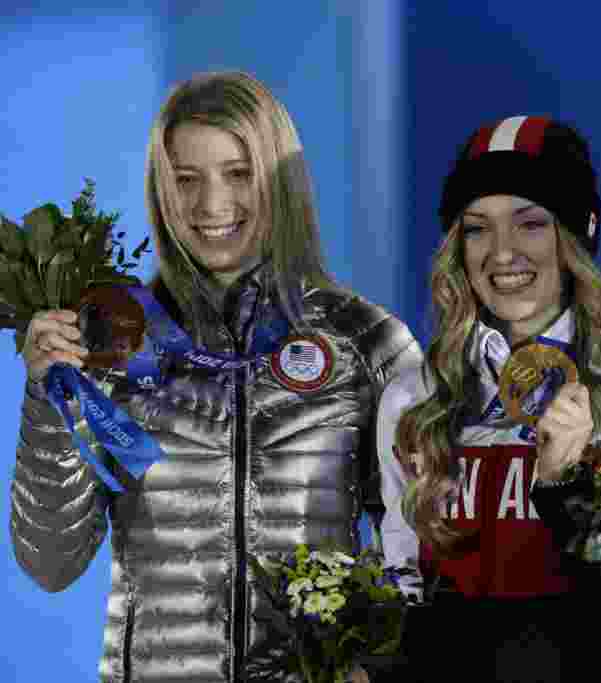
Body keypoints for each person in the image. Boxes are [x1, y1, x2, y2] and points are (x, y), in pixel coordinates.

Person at [10, 71, 421, 683]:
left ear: (279, 181)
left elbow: (420, 547)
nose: (212, 206)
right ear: (160, 189)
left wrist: (378, 667)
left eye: (238, 173)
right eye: (186, 179)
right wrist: (48, 398)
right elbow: (51, 563)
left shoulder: (365, 342)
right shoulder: (111, 342)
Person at [377, 115, 601, 682]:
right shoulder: (413, 397)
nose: (502, 253)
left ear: (574, 239)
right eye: (476, 228)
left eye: (530, 223)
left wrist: (567, 482)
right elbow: (401, 582)